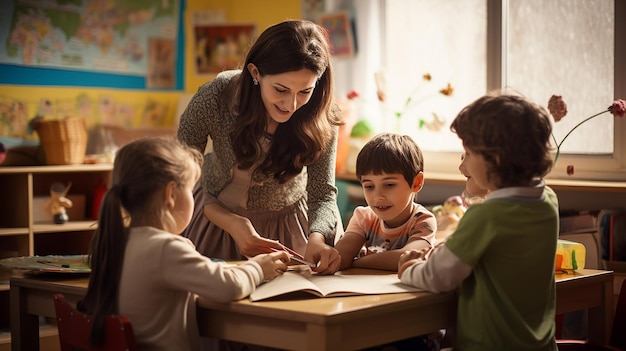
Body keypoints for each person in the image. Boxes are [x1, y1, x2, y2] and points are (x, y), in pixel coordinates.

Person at [78, 137, 289, 351]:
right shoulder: (164, 249)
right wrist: (259, 268)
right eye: (190, 190)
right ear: (171, 194)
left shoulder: (116, 241)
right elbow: (229, 286)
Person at [177, 19, 342, 275]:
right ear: (255, 73)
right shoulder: (215, 96)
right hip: (215, 217)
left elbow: (322, 194)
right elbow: (179, 173)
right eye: (281, 89)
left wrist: (318, 237)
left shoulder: (322, 113)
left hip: (290, 229)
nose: (292, 104)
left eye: (305, 91)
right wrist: (231, 222)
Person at [398, 92, 559, 350]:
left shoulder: (486, 216)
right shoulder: (548, 202)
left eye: (468, 155)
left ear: (494, 159)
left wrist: (409, 269)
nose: (463, 168)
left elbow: (438, 277)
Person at [332, 133, 436, 272]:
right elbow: (341, 257)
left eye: (389, 185)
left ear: (416, 183)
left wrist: (356, 262)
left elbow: (405, 257)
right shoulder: (363, 217)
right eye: (369, 186)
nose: (378, 196)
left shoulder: (423, 221)